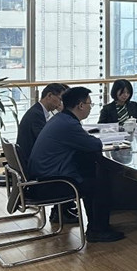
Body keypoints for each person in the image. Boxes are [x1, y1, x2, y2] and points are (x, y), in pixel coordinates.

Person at [28, 87, 124, 243]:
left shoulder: (61, 119)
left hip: (41, 179)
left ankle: (96, 227)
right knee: (100, 183)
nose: (90, 107)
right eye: (89, 104)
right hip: (50, 184)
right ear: (80, 105)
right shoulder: (68, 124)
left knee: (90, 173)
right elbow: (94, 144)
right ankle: (98, 230)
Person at [16, 82, 68, 169]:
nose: (60, 104)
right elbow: (45, 142)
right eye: (60, 99)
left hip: (32, 159)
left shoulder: (37, 111)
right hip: (34, 164)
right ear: (49, 95)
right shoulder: (36, 115)